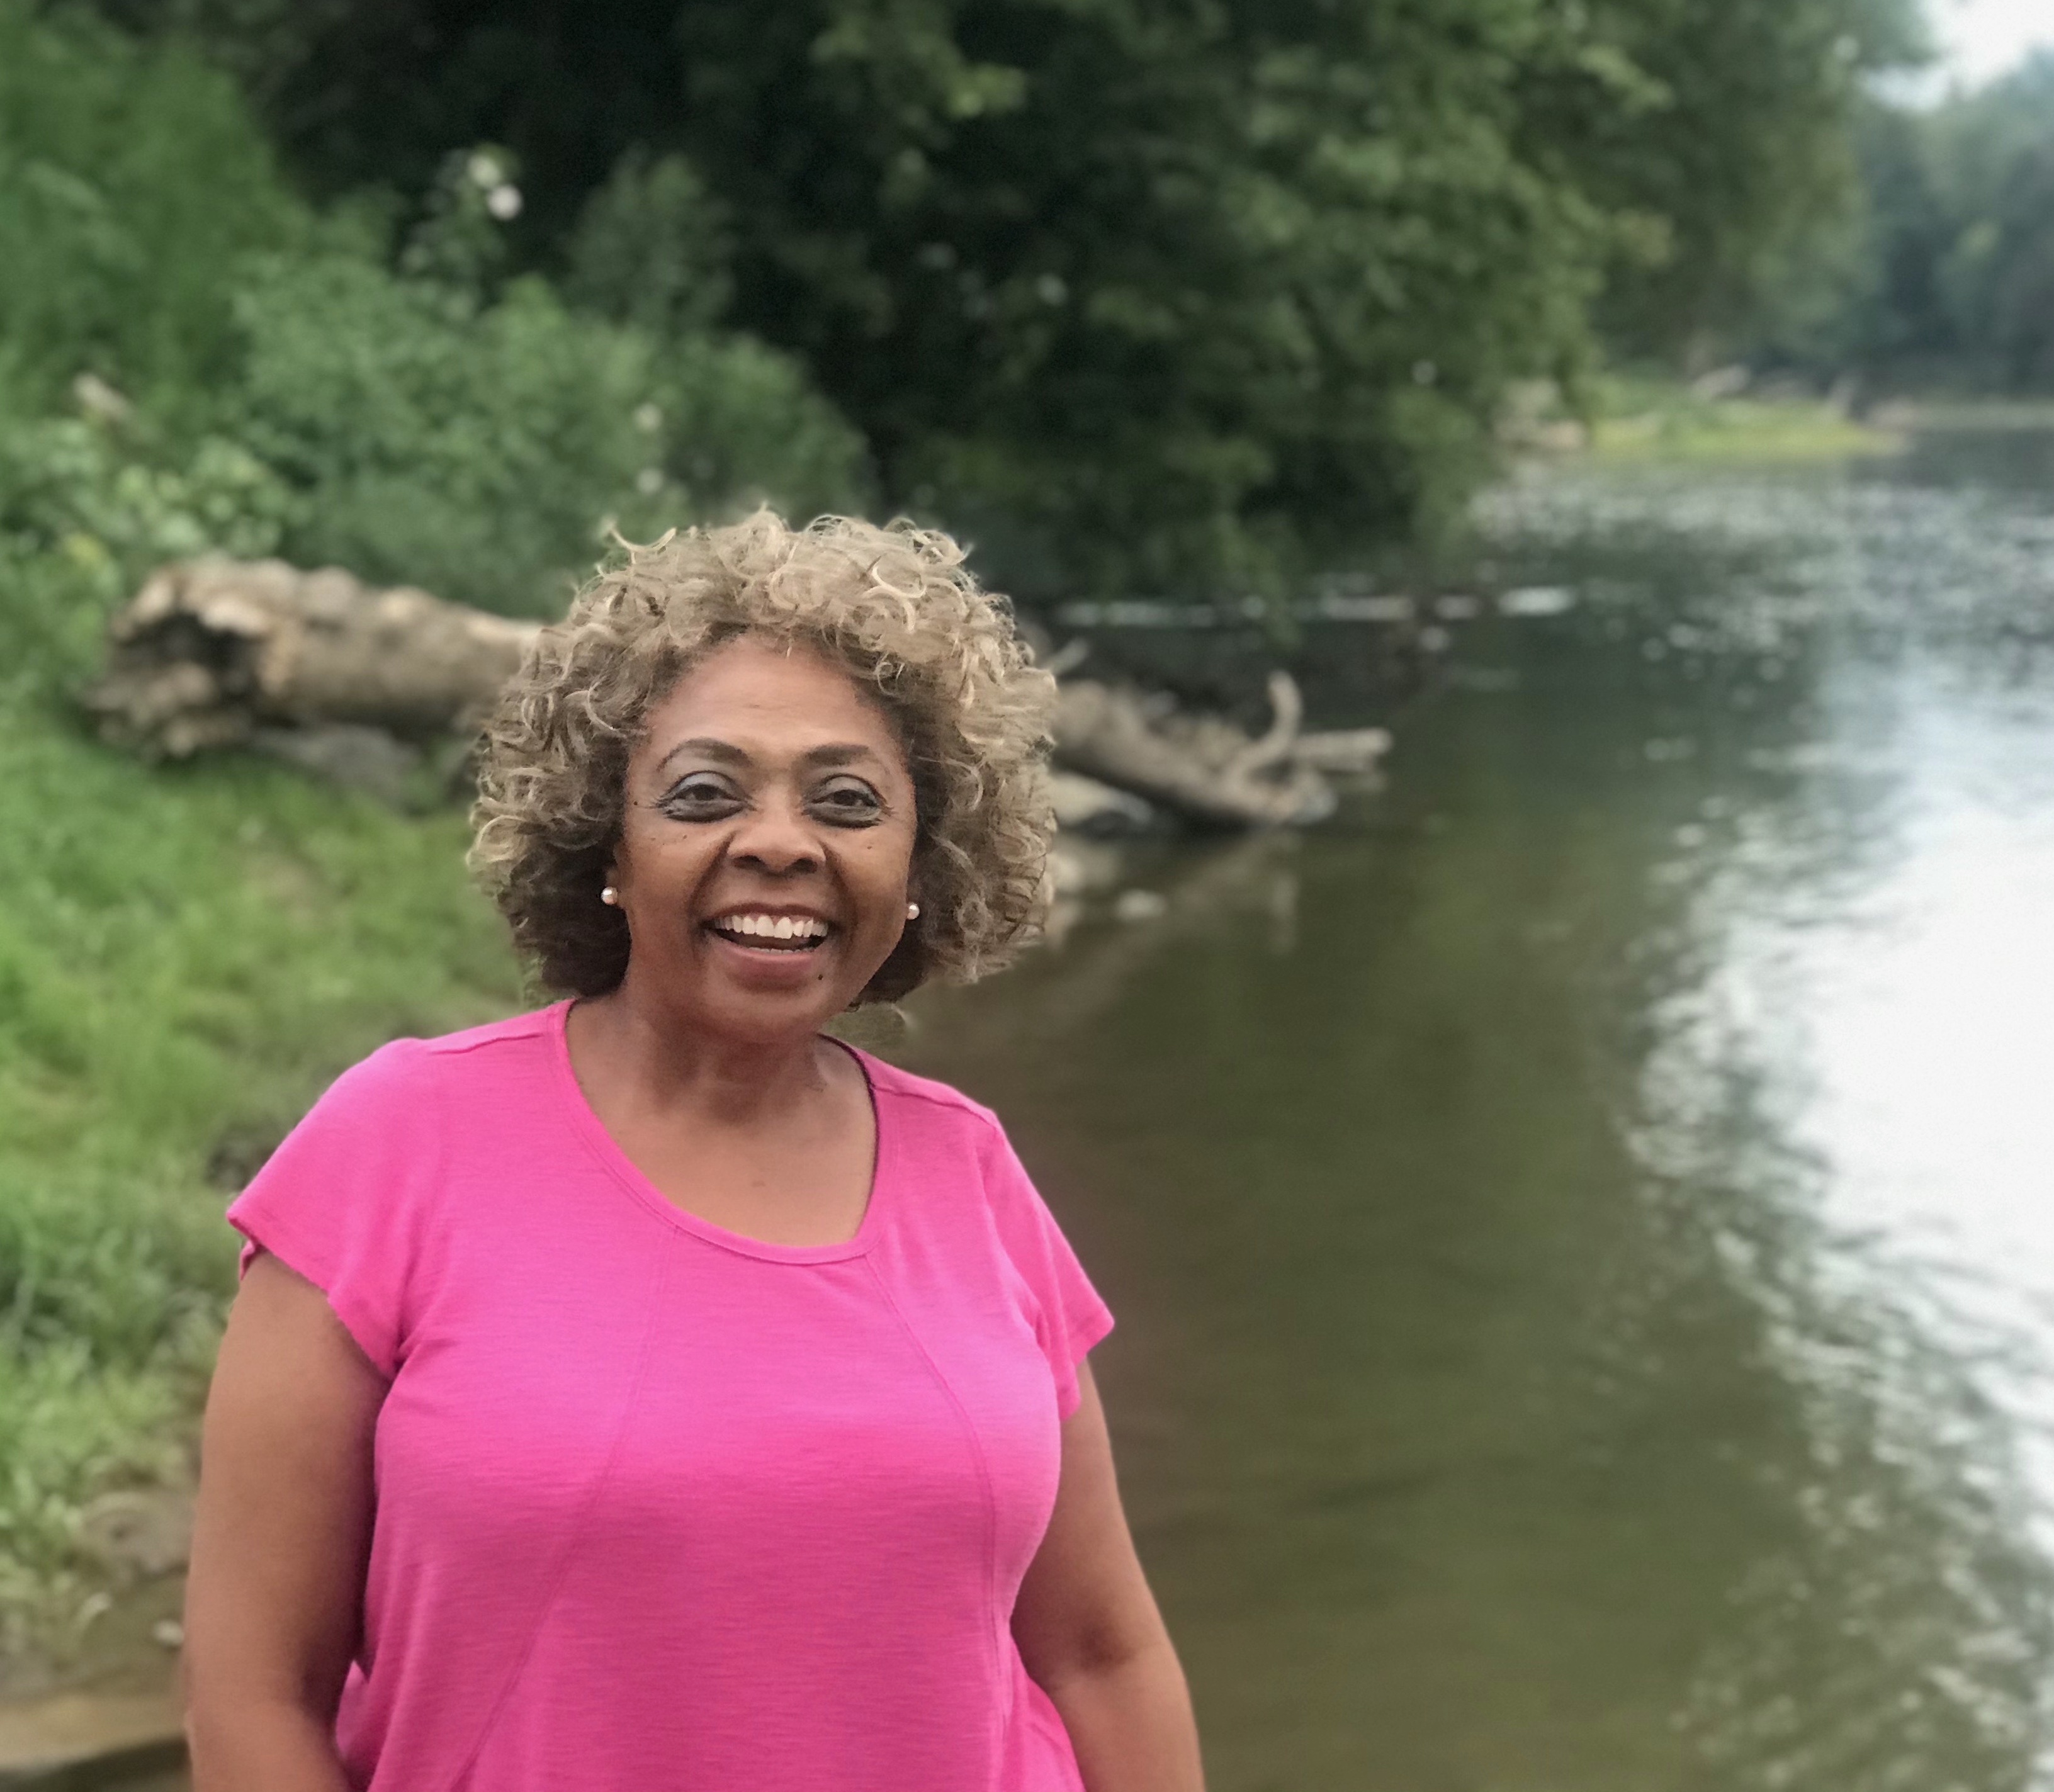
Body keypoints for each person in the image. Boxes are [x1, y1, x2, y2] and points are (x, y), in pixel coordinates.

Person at [181, 512, 1205, 1792]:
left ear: (920, 862)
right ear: (607, 843)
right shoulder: (397, 1149)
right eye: (706, 792)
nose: (781, 841)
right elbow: (252, 1694)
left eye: (848, 800)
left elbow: (1103, 1656)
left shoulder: (973, 1172)